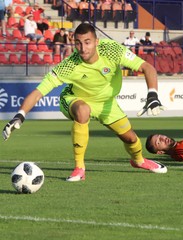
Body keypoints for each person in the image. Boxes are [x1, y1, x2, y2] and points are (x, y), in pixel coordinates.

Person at [2, 23, 167, 182]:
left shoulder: (112, 50)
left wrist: (152, 94)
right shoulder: (69, 65)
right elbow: (38, 92)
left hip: (106, 103)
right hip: (74, 99)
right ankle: (79, 168)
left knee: (131, 139)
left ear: (96, 42)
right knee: (82, 110)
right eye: (78, 43)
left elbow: (147, 67)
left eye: (87, 42)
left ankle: (138, 161)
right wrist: (20, 115)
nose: (83, 48)